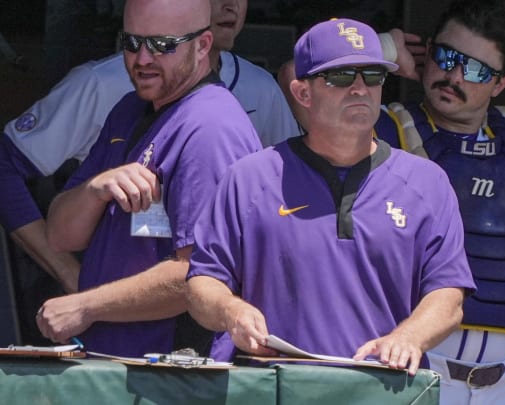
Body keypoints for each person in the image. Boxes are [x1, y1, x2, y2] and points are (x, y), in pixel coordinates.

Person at [278, 0, 505, 402]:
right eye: (445, 57)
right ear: (427, 54)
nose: (454, 76)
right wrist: (384, 48)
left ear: (500, 84)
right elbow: (295, 80)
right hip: (410, 371)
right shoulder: (381, 133)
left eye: (476, 69)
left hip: (502, 381)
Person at [185, 17, 476, 376]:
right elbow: (202, 284)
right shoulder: (249, 178)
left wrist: (409, 337)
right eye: (340, 76)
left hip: (381, 389)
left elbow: (448, 295)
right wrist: (231, 311)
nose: (359, 88)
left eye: (372, 75)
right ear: (302, 93)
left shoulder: (426, 182)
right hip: (273, 387)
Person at [0, 0, 300, 341]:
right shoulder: (130, 108)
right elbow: (61, 234)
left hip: (170, 372)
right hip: (114, 360)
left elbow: (202, 276)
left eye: (163, 45)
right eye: (132, 43)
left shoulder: (210, 126)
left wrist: (85, 306)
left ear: (202, 45)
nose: (143, 59)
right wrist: (96, 189)